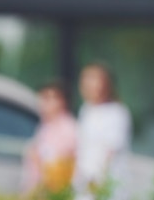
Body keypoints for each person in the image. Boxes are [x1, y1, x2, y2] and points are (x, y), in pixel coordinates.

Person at [73, 63, 132, 200]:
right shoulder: (86, 110)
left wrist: (97, 181)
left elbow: (110, 151)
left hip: (107, 186)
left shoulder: (117, 113)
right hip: (86, 184)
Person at [22, 81, 77, 196]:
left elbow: (63, 168)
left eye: (48, 98)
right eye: (42, 97)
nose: (43, 103)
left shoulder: (68, 130)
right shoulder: (44, 127)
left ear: (62, 101)